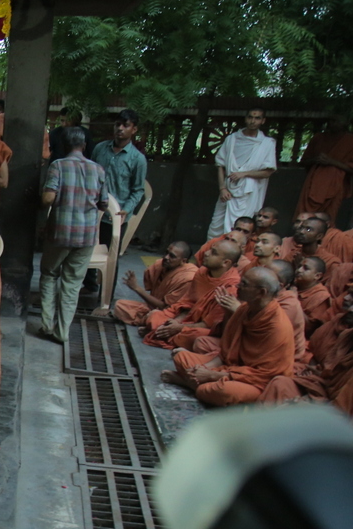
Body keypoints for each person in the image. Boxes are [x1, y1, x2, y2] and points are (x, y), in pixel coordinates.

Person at [162, 267, 294, 407]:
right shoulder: (245, 309)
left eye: (244, 284)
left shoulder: (277, 327)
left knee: (219, 391)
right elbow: (226, 354)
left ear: (261, 292)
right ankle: (196, 382)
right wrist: (203, 368)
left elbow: (265, 376)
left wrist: (212, 375)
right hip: (232, 368)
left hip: (257, 383)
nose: (237, 286)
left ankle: (191, 383)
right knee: (182, 357)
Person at [38, 128, 108, 343]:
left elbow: (48, 198)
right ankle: (62, 332)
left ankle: (47, 326)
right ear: (84, 146)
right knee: (72, 283)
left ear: (64, 146)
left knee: (49, 274)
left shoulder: (58, 166)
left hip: (60, 233)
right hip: (86, 236)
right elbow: (104, 203)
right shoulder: (98, 169)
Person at [143, 240, 242, 350]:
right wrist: (176, 321)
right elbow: (188, 304)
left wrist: (179, 328)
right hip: (187, 321)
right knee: (154, 317)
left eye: (213, 253)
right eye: (210, 249)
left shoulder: (230, 288)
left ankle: (161, 333)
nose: (206, 253)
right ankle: (165, 333)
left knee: (196, 337)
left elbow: (209, 325)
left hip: (202, 328)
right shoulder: (202, 272)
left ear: (226, 263)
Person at [259, 293, 353, 406]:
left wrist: (309, 404)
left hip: (332, 408)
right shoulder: (346, 336)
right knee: (280, 383)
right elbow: (328, 371)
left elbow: (342, 408)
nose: (346, 299)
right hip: (321, 385)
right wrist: (314, 373)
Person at [207, 107, 277, 238]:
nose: (253, 121)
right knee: (216, 226)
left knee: (242, 226)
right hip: (227, 190)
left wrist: (244, 174)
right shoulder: (231, 139)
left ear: (263, 121)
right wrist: (222, 188)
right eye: (250, 117)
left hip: (248, 192)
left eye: (257, 118)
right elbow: (220, 165)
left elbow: (268, 172)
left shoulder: (267, 143)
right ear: (245, 118)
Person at [89, 109, 147, 248]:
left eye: (125, 125)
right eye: (117, 124)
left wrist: (126, 209)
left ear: (134, 129)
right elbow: (89, 176)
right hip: (92, 212)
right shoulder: (100, 149)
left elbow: (138, 190)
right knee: (87, 255)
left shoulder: (138, 159)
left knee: (110, 256)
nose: (120, 128)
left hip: (115, 216)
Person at [113, 242, 196, 327]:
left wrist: (137, 288)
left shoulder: (187, 279)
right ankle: (150, 322)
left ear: (183, 261)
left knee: (154, 315)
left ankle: (153, 323)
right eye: (166, 252)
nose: (166, 257)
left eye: (172, 256)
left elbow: (166, 307)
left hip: (172, 315)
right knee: (120, 305)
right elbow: (153, 295)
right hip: (154, 308)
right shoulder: (160, 265)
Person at [294, 115, 353, 219]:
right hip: (314, 182)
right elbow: (304, 161)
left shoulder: (350, 140)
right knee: (305, 214)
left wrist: (331, 162)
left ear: (346, 123)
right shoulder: (318, 138)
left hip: (336, 182)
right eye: (331, 120)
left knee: (328, 216)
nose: (332, 123)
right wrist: (316, 160)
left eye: (337, 121)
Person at [295, 256, 334, 337]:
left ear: (317, 276)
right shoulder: (293, 285)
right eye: (299, 266)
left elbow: (309, 329)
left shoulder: (321, 296)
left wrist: (293, 301)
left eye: (305, 268)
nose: (299, 270)